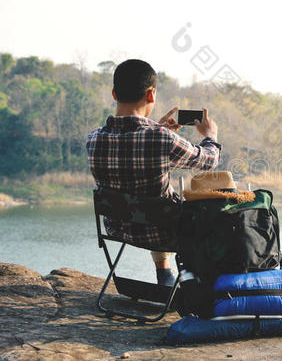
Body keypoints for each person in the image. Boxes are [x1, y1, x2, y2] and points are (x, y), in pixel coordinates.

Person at [86, 59, 221, 286]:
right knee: (203, 212)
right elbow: (208, 161)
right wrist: (210, 135)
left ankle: (164, 273)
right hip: (163, 233)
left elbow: (135, 157)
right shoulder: (161, 139)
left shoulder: (93, 139)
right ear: (151, 94)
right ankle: (196, 284)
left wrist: (156, 129)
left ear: (113, 93)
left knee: (156, 196)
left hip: (117, 228)